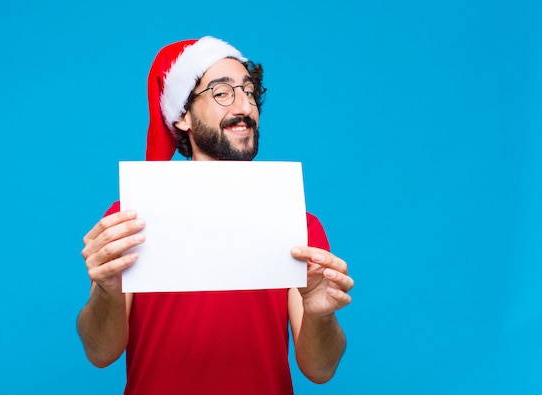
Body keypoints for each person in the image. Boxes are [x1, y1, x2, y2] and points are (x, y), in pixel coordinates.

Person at [77, 36, 354, 395]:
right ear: (183, 116)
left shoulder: (298, 223)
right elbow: (100, 353)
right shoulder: (132, 214)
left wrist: (320, 314)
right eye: (223, 92)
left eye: (250, 92)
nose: (245, 107)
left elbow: (320, 370)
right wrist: (107, 289)